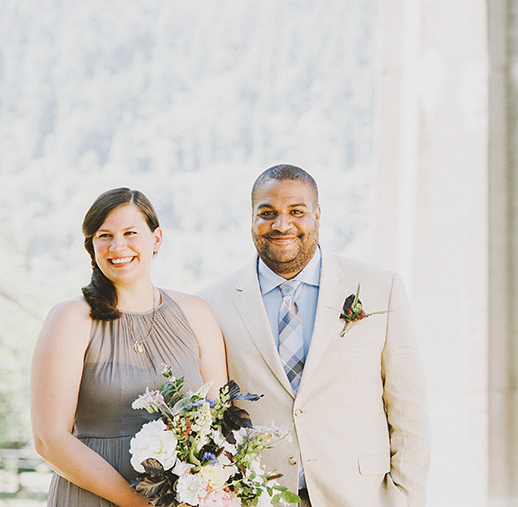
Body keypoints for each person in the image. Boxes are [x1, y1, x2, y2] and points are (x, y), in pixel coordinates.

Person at [198, 164, 431, 507]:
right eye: (267, 213)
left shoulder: (381, 288)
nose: (281, 225)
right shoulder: (211, 304)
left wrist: (407, 499)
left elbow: (408, 408)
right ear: (250, 217)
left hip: (360, 496)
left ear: (317, 215)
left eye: (296, 211)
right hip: (259, 497)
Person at [31, 188, 228, 507]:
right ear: (92, 246)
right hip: (91, 497)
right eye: (104, 235)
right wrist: (142, 503)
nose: (117, 246)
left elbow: (221, 417)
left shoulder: (196, 313)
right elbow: (49, 439)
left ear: (156, 239)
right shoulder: (70, 319)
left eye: (130, 233)